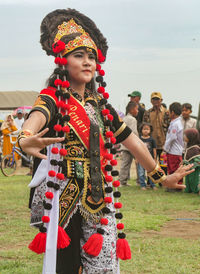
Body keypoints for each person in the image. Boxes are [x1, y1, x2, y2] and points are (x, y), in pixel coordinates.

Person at [18, 8, 194, 274]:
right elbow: (36, 118)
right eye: (79, 56)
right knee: (67, 266)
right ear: (63, 62)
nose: (87, 61)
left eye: (91, 56)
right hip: (65, 193)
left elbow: (132, 141)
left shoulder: (101, 106)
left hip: (100, 196)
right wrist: (24, 138)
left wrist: (160, 176)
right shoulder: (53, 97)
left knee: (103, 265)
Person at [143, 92, 170, 161]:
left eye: (157, 99)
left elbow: (169, 128)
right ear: (151, 101)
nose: (155, 101)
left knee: (163, 167)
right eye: (153, 99)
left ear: (161, 100)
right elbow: (144, 128)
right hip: (151, 145)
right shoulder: (147, 113)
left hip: (164, 145)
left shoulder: (166, 113)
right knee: (151, 166)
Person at [164, 102, 184, 191]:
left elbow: (172, 138)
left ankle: (175, 186)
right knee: (175, 168)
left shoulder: (175, 124)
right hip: (175, 150)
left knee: (174, 169)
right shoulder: (175, 122)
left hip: (174, 150)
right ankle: (175, 185)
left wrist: (166, 148)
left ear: (172, 112)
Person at [119, 101, 138, 186]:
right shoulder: (133, 119)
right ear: (131, 109)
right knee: (139, 162)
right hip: (132, 144)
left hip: (124, 144)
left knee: (125, 163)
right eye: (136, 109)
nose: (137, 111)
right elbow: (134, 132)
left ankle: (122, 181)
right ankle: (140, 181)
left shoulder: (124, 118)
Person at [137, 123, 157, 190]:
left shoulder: (152, 140)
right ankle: (143, 185)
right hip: (141, 159)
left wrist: (155, 158)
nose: (146, 131)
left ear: (150, 130)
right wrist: (136, 158)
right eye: (144, 129)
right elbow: (137, 149)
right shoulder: (139, 139)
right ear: (141, 130)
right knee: (141, 173)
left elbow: (154, 149)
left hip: (150, 159)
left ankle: (153, 185)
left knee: (151, 172)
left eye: (147, 129)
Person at [183, 128, 200, 194]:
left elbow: (197, 160)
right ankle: (188, 190)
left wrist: (193, 166)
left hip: (194, 169)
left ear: (191, 137)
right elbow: (188, 158)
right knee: (187, 179)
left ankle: (196, 190)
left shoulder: (195, 148)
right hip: (189, 168)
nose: (184, 137)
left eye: (186, 135)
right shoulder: (189, 146)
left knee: (193, 180)